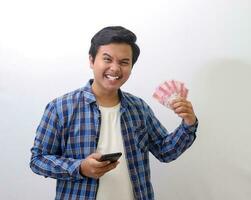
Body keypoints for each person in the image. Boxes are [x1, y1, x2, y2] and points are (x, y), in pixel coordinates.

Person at [30, 26, 198, 200]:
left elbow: (165, 151)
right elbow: (38, 160)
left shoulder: (139, 108)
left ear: (131, 67)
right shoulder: (60, 108)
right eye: (107, 59)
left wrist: (188, 123)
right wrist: (80, 167)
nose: (115, 68)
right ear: (91, 60)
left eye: (124, 62)